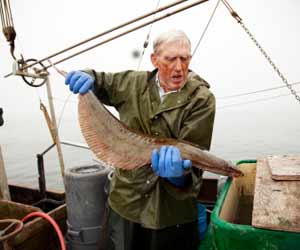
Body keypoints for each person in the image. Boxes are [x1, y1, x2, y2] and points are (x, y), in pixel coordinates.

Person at [65, 29, 215, 250]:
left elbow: (195, 163)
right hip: (125, 203)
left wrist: (179, 176)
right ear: (154, 59)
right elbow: (102, 82)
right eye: (170, 59)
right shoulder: (132, 83)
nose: (178, 67)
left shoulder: (202, 100)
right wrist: (88, 76)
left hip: (171, 215)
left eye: (184, 58)